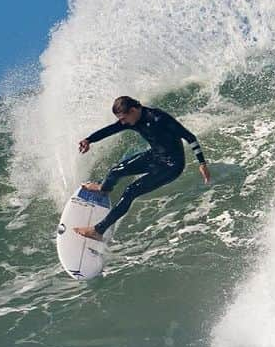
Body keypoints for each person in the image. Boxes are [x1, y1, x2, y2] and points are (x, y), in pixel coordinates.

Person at [74, 96, 210, 240]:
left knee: (131, 191)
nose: (122, 122)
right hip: (155, 156)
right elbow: (111, 129)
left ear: (133, 110)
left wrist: (202, 163)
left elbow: (190, 137)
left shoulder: (159, 118)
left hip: (172, 165)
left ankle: (98, 231)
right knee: (116, 171)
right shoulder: (131, 120)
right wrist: (89, 140)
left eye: (123, 118)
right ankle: (104, 189)